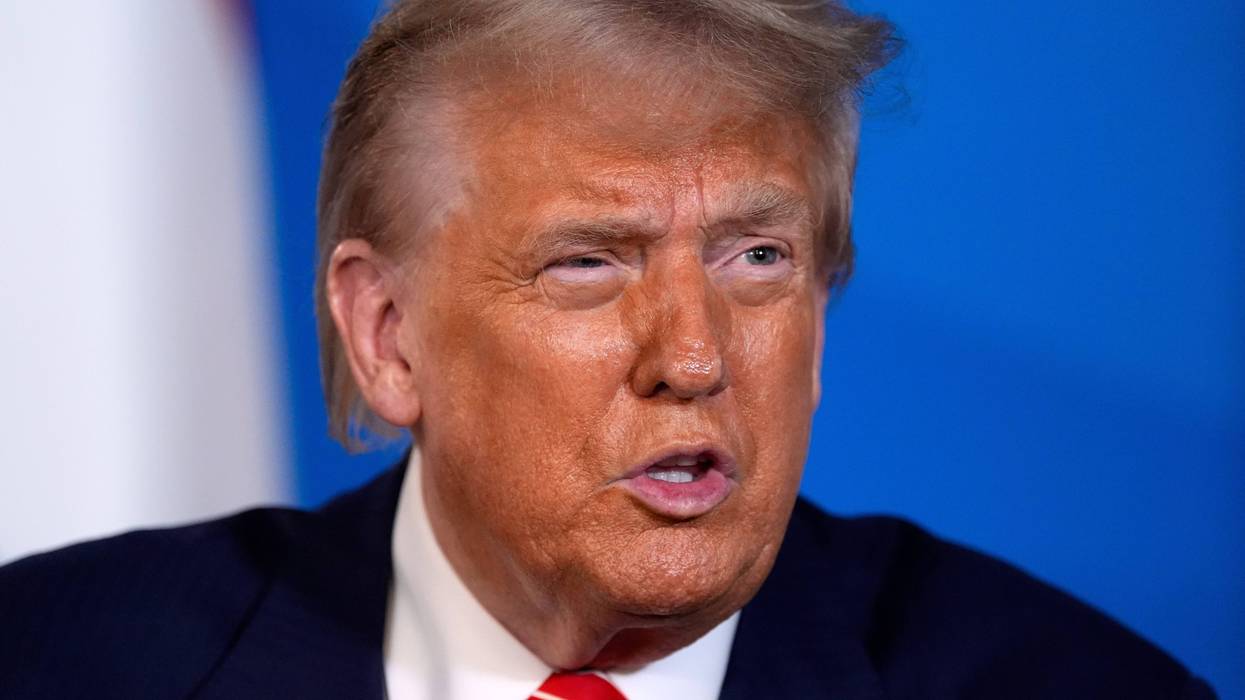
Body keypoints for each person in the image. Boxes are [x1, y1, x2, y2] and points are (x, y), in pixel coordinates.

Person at [0, 1, 1217, 698]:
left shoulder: (1074, 690)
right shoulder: (58, 663)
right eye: (589, 263)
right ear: (386, 333)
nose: (694, 358)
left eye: (758, 259)